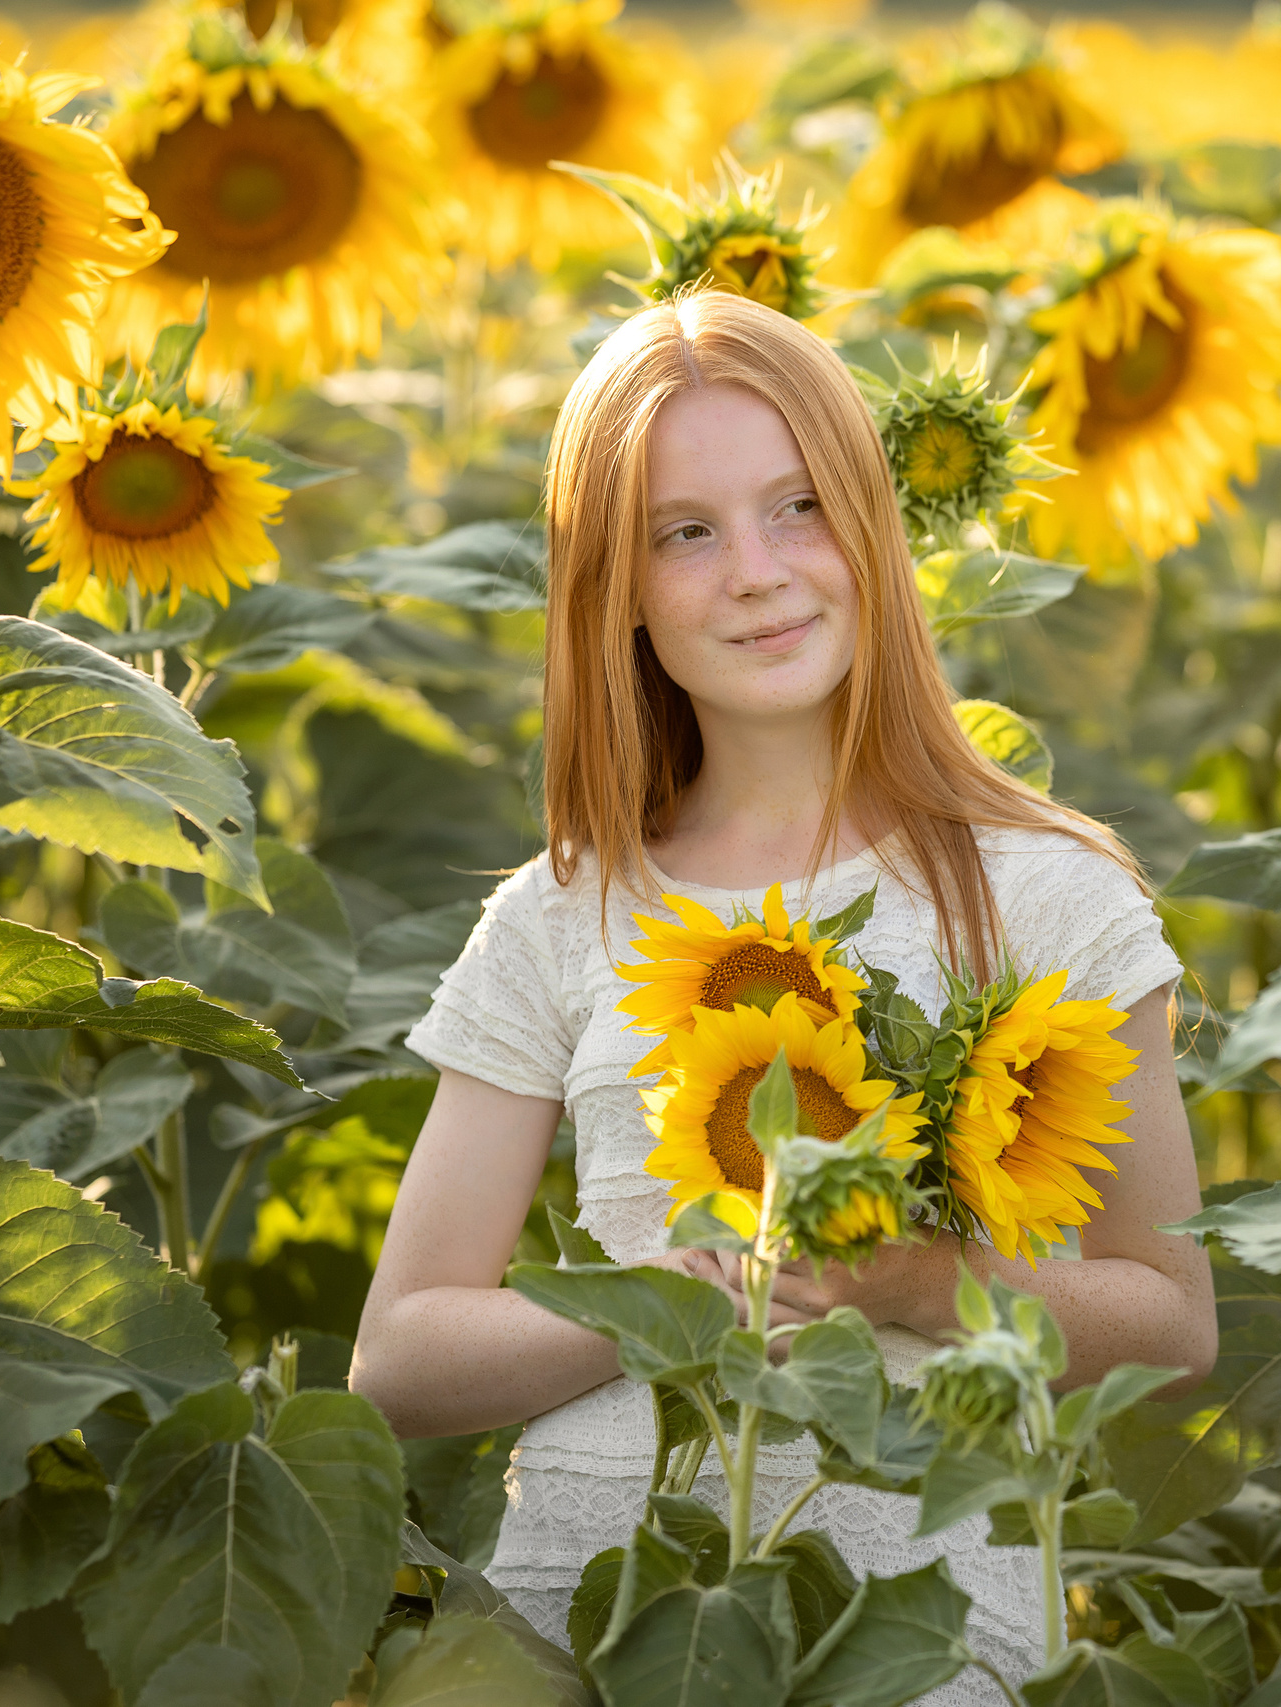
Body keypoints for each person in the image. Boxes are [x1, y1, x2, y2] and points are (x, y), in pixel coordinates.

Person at [349, 288, 1218, 1696]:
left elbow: (1170, 1323)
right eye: (684, 533)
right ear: (612, 591)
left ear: (873, 527)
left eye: (798, 506)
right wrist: (665, 1302)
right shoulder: (562, 918)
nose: (755, 571)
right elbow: (399, 1353)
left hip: (920, 1627)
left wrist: (911, 1278)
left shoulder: (1046, 897)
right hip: (582, 1607)